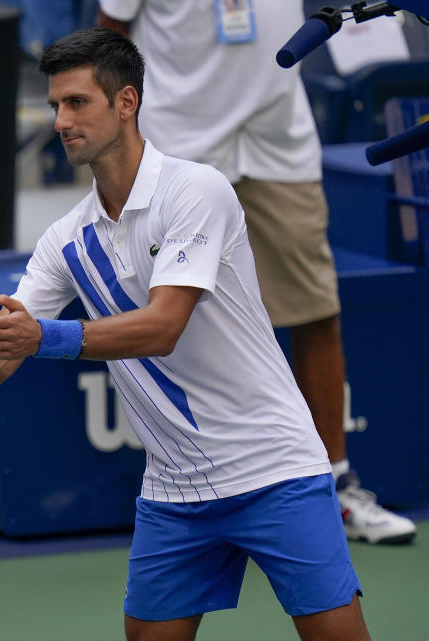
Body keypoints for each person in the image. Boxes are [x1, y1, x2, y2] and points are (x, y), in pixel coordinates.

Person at [0, 29, 371, 641]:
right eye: (54, 106)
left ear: (126, 102)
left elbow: (163, 326)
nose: (61, 121)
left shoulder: (196, 191)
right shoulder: (65, 240)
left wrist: (42, 337)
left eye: (77, 103)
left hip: (273, 470)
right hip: (175, 491)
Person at [95, 0, 416, 544]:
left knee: (316, 312)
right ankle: (180, 496)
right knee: (167, 323)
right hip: (177, 151)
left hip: (276, 147)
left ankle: (335, 488)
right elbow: (110, 40)